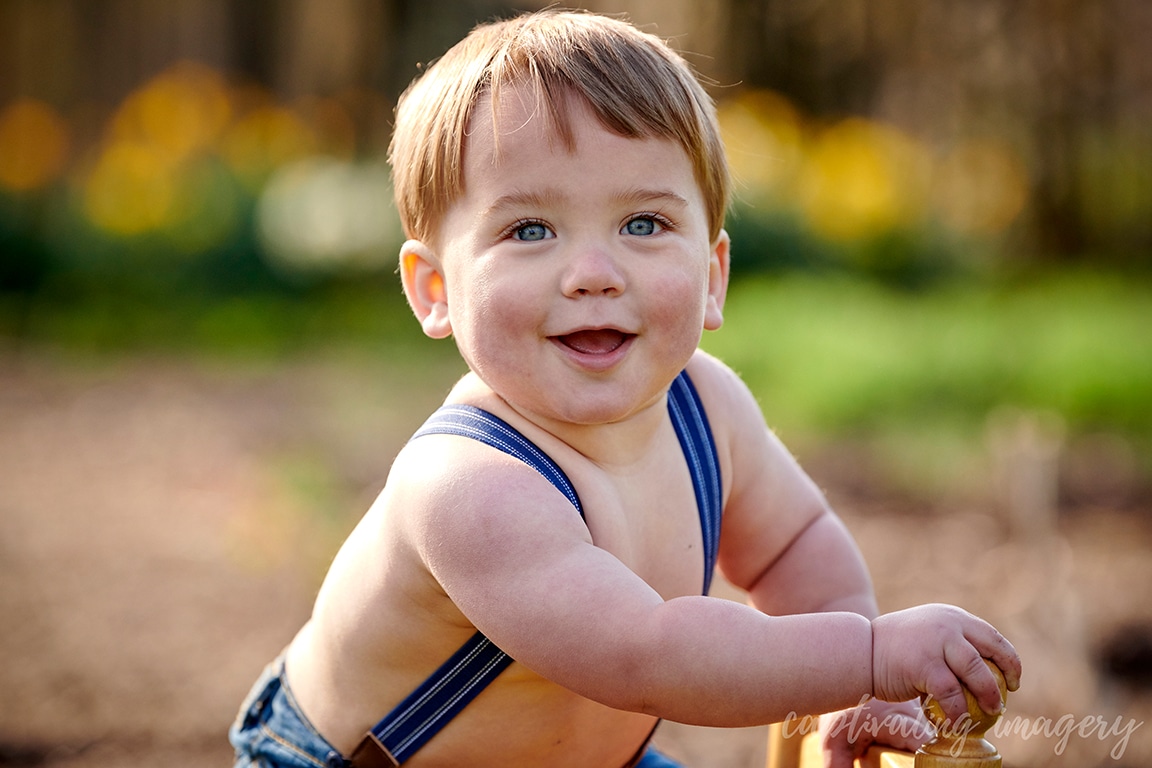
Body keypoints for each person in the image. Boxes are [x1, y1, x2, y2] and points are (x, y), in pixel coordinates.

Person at [230, 9, 1021, 768]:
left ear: (712, 278)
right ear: (435, 288)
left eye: (643, 224)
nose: (594, 276)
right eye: (530, 230)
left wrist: (850, 680)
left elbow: (793, 547)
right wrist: (869, 656)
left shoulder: (708, 410)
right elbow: (649, 654)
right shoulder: (470, 489)